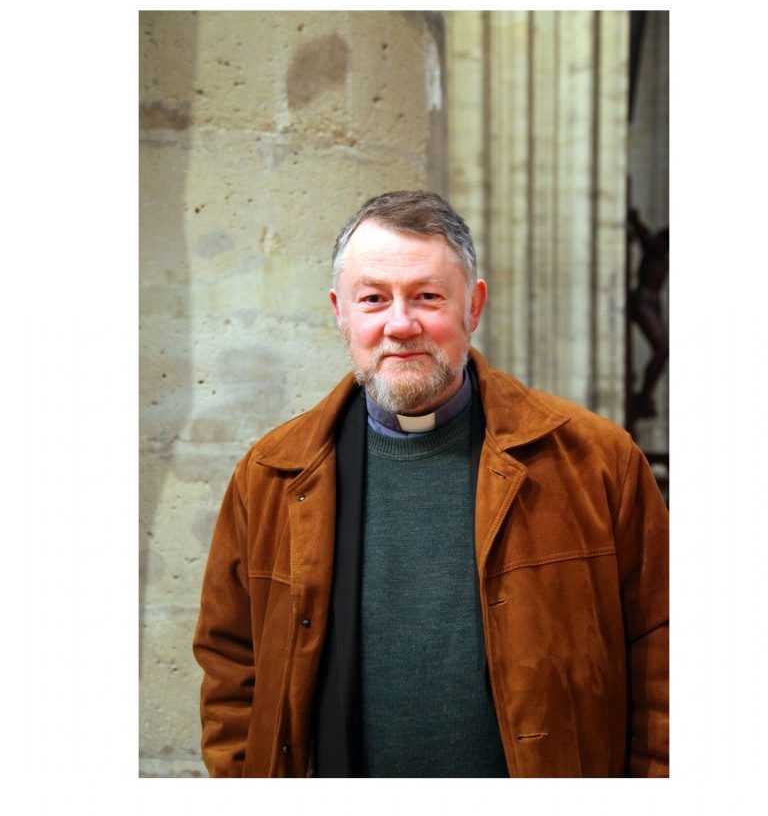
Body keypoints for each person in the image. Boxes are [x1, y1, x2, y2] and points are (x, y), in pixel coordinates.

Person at [193, 191, 669, 778]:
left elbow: (663, 650)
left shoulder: (595, 461)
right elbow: (231, 667)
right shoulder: (271, 474)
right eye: (374, 298)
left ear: (474, 305)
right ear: (340, 312)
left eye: (427, 296)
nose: (401, 324)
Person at [628, 207, 669, 420]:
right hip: (643, 300)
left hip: (651, 302)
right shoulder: (658, 247)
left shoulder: (662, 251)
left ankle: (646, 395)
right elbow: (647, 239)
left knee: (663, 349)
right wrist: (635, 220)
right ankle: (644, 396)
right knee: (662, 348)